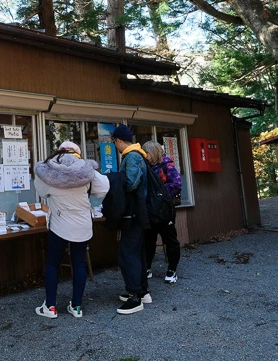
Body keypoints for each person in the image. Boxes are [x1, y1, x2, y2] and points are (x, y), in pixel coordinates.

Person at [33, 141, 109, 319]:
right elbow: (103, 188)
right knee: (79, 263)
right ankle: (76, 306)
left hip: (59, 223)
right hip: (82, 223)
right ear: (77, 153)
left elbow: (41, 190)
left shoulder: (51, 169)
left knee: (52, 263)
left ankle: (50, 307)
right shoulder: (86, 168)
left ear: (59, 151)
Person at [111, 125, 151, 315]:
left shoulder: (132, 156)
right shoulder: (138, 154)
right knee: (137, 252)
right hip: (139, 212)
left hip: (134, 213)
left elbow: (132, 182)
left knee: (128, 254)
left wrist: (115, 182)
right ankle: (142, 291)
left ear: (119, 141)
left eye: (114, 142)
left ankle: (135, 297)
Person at [141, 140, 181, 284]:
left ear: (154, 152)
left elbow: (177, 184)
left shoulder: (166, 165)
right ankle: (147, 268)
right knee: (148, 240)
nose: (145, 155)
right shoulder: (145, 167)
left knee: (170, 240)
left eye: (147, 152)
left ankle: (172, 269)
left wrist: (160, 195)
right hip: (151, 211)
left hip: (164, 211)